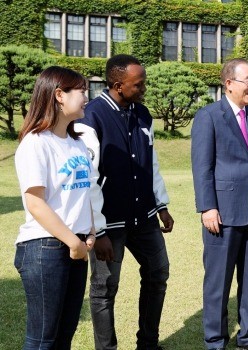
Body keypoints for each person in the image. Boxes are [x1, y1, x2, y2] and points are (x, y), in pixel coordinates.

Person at [75, 54, 174, 350]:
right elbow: (87, 178)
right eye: (138, 83)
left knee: (158, 273)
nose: (144, 87)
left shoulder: (143, 114)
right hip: (109, 222)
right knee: (105, 289)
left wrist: (162, 204)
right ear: (118, 85)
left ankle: (148, 343)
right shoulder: (90, 116)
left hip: (144, 216)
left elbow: (150, 162)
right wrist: (99, 231)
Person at [191, 58, 248, 350]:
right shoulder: (209, 116)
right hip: (222, 213)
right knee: (218, 282)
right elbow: (202, 167)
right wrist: (207, 207)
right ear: (229, 84)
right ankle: (215, 341)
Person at [14, 66, 96, 349]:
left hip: (76, 246)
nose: (86, 96)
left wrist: (90, 232)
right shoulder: (36, 143)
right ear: (59, 95)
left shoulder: (77, 143)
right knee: (42, 340)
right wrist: (73, 241)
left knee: (64, 337)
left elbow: (82, 194)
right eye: (81, 90)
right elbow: (35, 203)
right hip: (44, 249)